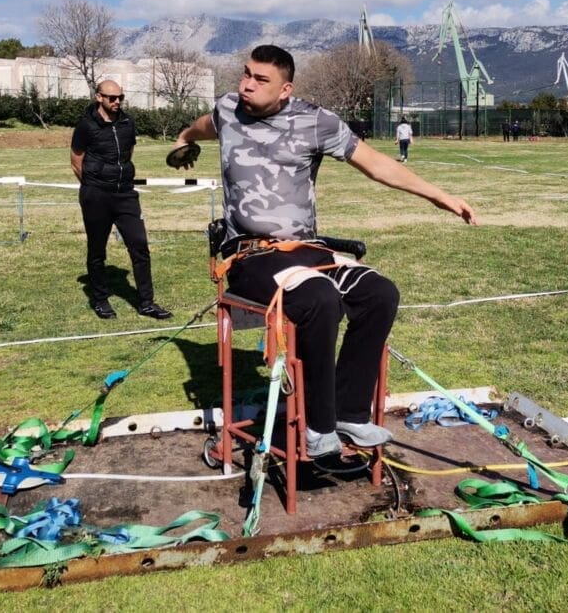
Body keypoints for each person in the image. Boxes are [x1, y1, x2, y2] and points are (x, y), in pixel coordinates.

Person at [172, 45, 477, 459]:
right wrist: (183, 139)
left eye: (260, 80)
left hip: (306, 251)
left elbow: (375, 163)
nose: (246, 85)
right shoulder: (229, 109)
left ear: (285, 90)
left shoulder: (315, 121)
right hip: (250, 257)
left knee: (380, 293)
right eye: (246, 74)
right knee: (319, 297)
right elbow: (203, 125)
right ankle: (317, 426)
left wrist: (438, 196)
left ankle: (349, 412)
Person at [70, 80, 173, 321]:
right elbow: (76, 160)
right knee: (97, 250)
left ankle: (147, 302)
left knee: (140, 246)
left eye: (120, 98)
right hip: (96, 195)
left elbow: (128, 155)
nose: (117, 102)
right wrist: (94, 185)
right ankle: (100, 299)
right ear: (99, 98)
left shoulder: (128, 123)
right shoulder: (85, 126)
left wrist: (120, 178)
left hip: (126, 194)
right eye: (111, 98)